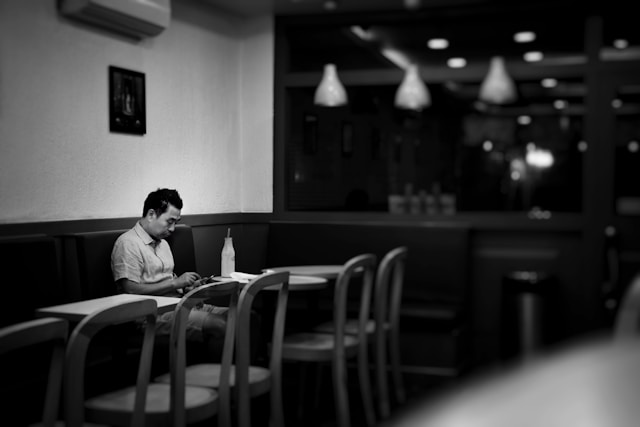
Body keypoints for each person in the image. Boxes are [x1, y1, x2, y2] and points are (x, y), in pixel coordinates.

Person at [111, 188, 226, 359]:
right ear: (151, 214)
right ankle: (218, 375)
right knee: (220, 325)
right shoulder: (128, 243)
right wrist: (175, 283)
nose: (172, 229)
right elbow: (130, 289)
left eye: (176, 222)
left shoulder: (162, 244)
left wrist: (188, 287)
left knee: (243, 316)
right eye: (169, 221)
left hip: (179, 305)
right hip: (151, 316)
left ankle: (239, 373)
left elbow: (169, 281)